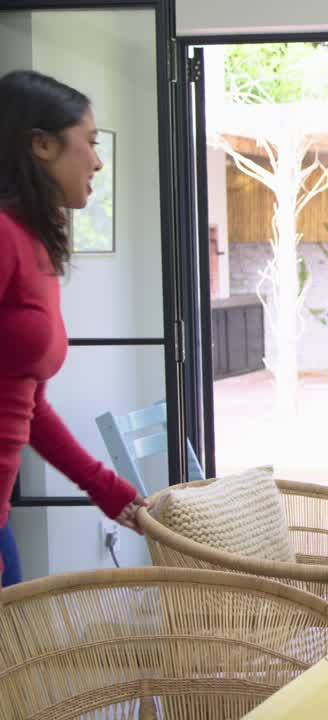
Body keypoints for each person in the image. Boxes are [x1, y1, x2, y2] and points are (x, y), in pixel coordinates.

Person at [0, 70, 145, 586]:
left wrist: (107, 488)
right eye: (88, 142)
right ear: (41, 144)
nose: (98, 161)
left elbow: (27, 402)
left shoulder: (32, 242)